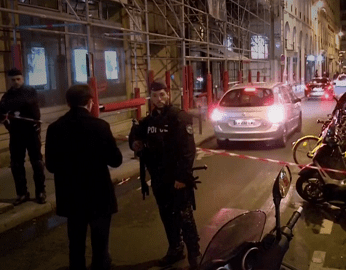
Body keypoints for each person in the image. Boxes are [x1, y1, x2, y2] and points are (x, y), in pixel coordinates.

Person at [45, 84, 122, 270]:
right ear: (90, 102)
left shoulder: (55, 128)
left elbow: (51, 165)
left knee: (76, 244)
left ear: (67, 103)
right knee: (100, 245)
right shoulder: (100, 126)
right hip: (99, 196)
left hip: (71, 197)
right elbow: (116, 160)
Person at [130, 81, 200, 269]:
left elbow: (188, 150)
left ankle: (195, 254)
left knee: (184, 216)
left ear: (167, 94)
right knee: (167, 216)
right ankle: (175, 249)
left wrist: (182, 178)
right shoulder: (150, 119)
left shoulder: (178, 117)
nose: (158, 100)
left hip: (177, 178)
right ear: (150, 98)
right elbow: (137, 137)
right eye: (154, 96)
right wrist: (135, 142)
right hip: (159, 178)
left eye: (162, 95)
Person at [0, 68, 46, 205]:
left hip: (31, 131)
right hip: (16, 133)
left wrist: (8, 106)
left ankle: (40, 192)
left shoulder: (30, 91)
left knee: (37, 162)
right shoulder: (7, 95)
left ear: (22, 78)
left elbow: (27, 101)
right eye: (13, 80)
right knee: (16, 164)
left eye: (18, 79)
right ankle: (21, 193)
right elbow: (1, 111)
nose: (16, 82)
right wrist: (5, 118)